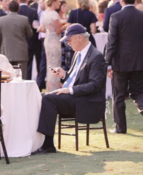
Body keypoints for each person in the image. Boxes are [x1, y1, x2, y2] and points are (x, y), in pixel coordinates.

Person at [32, 24, 106, 155]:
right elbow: (77, 78)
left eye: (69, 40)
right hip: (76, 97)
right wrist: (64, 75)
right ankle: (41, 141)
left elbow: (95, 85)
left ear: (79, 38)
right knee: (42, 97)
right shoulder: (78, 54)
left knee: (48, 99)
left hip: (87, 101)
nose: (68, 43)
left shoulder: (96, 57)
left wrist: (70, 90)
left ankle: (48, 144)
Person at [106, 0, 143, 135]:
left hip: (120, 63)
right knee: (138, 92)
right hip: (140, 61)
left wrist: (108, 63)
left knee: (119, 95)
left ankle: (120, 127)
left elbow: (112, 42)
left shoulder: (116, 17)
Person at [0, 0, 33, 78]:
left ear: (8, 8)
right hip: (21, 53)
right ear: (18, 9)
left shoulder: (1, 20)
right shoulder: (24, 19)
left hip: (6, 53)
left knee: (7, 77)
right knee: (22, 77)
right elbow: (30, 34)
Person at [39, 0, 66, 92]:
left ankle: (51, 88)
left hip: (47, 41)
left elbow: (42, 28)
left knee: (50, 65)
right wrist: (67, 26)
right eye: (58, 1)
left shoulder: (46, 12)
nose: (59, 3)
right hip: (54, 41)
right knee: (55, 65)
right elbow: (58, 30)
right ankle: (54, 89)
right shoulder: (54, 14)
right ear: (54, 1)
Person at [18, 0, 40, 80]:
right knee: (29, 64)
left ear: (18, 1)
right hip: (31, 41)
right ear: (27, 0)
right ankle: (28, 80)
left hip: (19, 42)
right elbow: (36, 26)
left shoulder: (17, 12)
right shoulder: (33, 11)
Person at [58, 1, 74, 72]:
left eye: (66, 6)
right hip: (61, 38)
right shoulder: (57, 17)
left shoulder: (67, 17)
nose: (65, 8)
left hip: (67, 39)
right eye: (63, 6)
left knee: (68, 57)